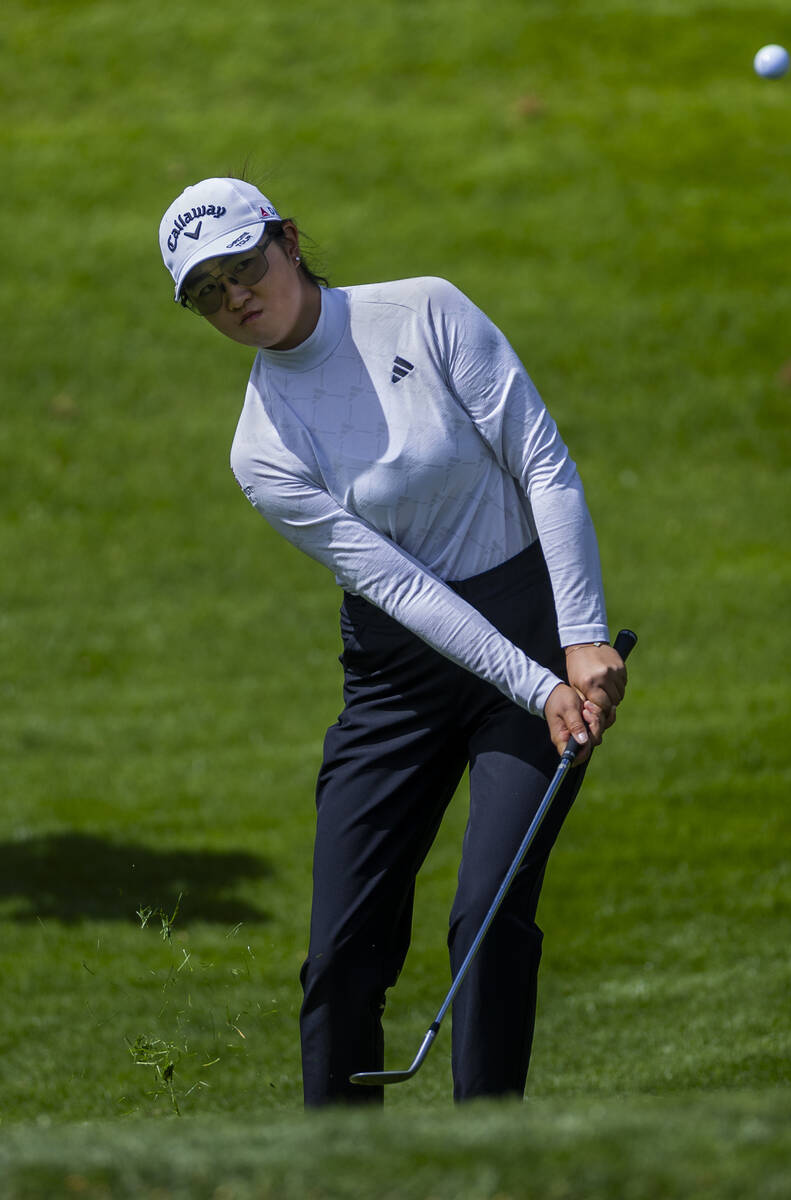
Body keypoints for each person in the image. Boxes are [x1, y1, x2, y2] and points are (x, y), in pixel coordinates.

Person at [158, 177, 628, 1107]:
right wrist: (537, 686)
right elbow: (401, 587)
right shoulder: (261, 448)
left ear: (288, 241)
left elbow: (542, 458)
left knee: (488, 918)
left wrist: (577, 641)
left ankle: (489, 1154)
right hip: (398, 675)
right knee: (340, 949)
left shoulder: (424, 309)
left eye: (244, 265)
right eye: (207, 292)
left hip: (530, 622)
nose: (236, 297)